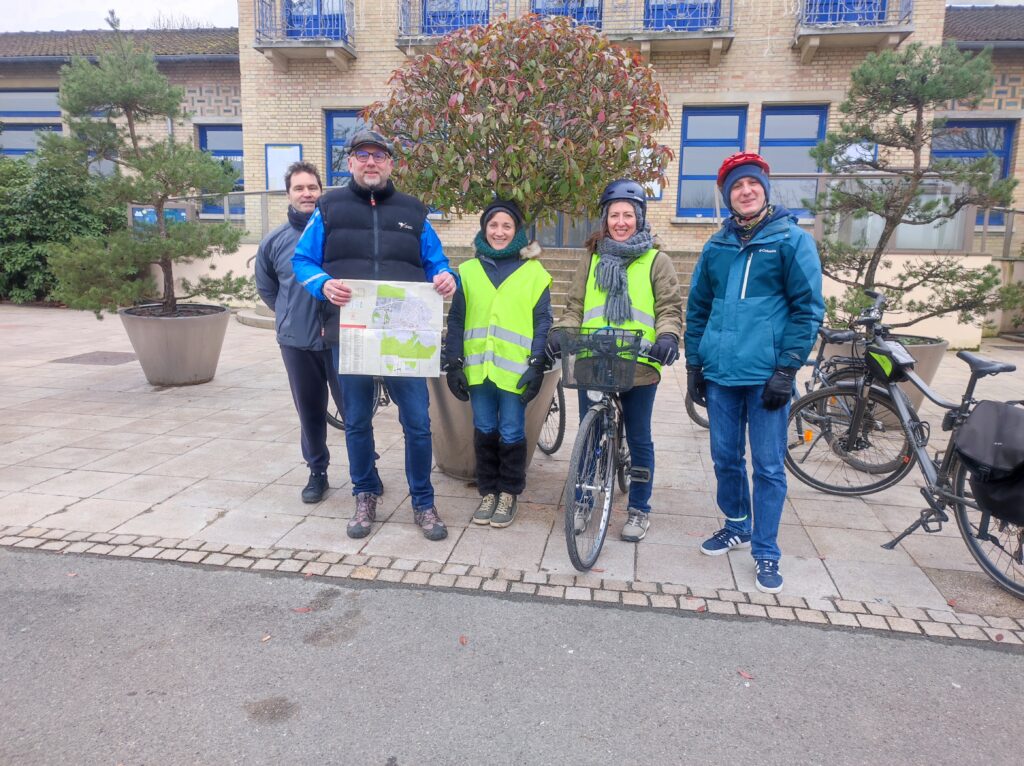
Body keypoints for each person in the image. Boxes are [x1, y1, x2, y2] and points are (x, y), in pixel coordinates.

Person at [292, 129, 458, 541]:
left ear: (390, 164)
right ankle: (365, 494)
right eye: (362, 155)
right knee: (358, 422)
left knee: (418, 423)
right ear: (350, 163)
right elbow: (303, 260)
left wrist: (444, 277)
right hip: (350, 335)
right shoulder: (328, 208)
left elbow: (438, 261)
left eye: (379, 156)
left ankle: (423, 501)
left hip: (405, 337)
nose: (371, 163)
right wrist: (322, 284)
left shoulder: (414, 211)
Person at [685, 152, 824, 594]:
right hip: (722, 374)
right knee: (725, 458)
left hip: (767, 378)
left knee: (768, 467)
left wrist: (787, 368)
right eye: (737, 187)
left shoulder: (790, 241)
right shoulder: (717, 246)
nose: (745, 191)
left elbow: (807, 310)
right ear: (728, 196)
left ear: (764, 189)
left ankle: (766, 550)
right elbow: (698, 308)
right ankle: (737, 524)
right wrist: (694, 362)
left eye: (752, 184)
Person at [548, 179, 683, 543]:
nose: (621, 222)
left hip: (639, 363)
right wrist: (563, 331)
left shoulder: (657, 260)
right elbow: (574, 306)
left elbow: (669, 308)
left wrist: (668, 336)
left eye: (628, 215)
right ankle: (582, 501)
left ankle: (639, 508)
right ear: (604, 220)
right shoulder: (590, 259)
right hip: (593, 360)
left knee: (639, 438)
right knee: (590, 437)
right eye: (614, 215)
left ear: (639, 218)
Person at [445, 199, 552, 529]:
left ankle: (509, 492)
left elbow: (542, 321)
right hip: (478, 372)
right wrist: (454, 363)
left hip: (515, 373)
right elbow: (458, 319)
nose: (499, 232)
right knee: (484, 428)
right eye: (493, 225)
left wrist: (536, 363)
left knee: (511, 430)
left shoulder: (534, 273)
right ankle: (488, 491)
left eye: (507, 226)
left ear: (517, 231)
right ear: (484, 229)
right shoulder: (468, 271)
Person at [254, 161, 334, 504]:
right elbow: (268, 289)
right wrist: (290, 317)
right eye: (299, 188)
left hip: (340, 339)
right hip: (297, 342)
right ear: (288, 194)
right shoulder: (274, 241)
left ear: (321, 191)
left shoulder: (338, 234)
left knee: (356, 410)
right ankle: (317, 472)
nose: (307, 194)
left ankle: (367, 469)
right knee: (310, 411)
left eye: (312, 188)